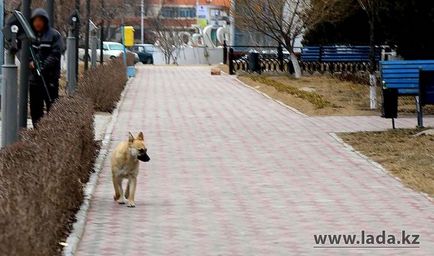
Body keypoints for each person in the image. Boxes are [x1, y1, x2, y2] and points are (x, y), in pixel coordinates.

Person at [28, 8, 64, 127]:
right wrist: (31, 63)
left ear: (45, 21)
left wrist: (42, 67)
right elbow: (26, 53)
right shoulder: (30, 36)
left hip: (50, 79)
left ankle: (51, 132)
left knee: (52, 106)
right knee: (35, 109)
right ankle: (37, 131)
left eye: (40, 20)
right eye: (35, 20)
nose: (37, 23)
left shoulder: (54, 35)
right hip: (34, 80)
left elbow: (55, 55)